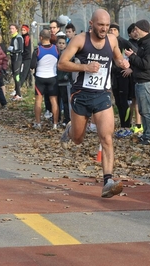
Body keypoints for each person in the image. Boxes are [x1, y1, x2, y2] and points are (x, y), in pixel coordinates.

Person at [58, 9, 130, 198]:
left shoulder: (112, 40)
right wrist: (85, 67)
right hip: (81, 94)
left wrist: (122, 62)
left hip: (102, 95)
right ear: (92, 24)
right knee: (78, 139)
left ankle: (108, 181)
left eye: (107, 25)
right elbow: (62, 63)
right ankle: (70, 129)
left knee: (106, 138)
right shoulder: (80, 40)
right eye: (100, 25)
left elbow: (116, 55)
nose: (104, 29)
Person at [124, 19, 150, 145]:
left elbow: (146, 64)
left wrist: (132, 57)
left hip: (146, 81)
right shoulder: (145, 44)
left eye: (136, 29)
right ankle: (146, 134)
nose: (135, 32)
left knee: (146, 110)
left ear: (142, 29)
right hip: (141, 80)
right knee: (143, 110)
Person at [109, 22, 134, 138]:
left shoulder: (124, 42)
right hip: (113, 76)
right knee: (118, 102)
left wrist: (131, 69)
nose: (112, 32)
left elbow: (135, 55)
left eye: (114, 30)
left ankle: (127, 126)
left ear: (118, 31)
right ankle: (122, 125)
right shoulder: (107, 42)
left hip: (124, 76)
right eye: (110, 30)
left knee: (124, 102)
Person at [30, 29, 59, 130]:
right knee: (54, 101)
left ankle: (38, 123)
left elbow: (32, 65)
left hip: (40, 78)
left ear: (41, 38)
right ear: (50, 37)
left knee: (38, 101)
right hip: (53, 78)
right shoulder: (56, 49)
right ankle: (55, 124)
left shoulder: (37, 50)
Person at [126, 23, 142, 135]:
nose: (135, 33)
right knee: (134, 101)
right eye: (133, 31)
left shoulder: (142, 43)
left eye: (137, 30)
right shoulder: (128, 44)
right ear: (129, 33)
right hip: (131, 77)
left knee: (135, 101)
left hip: (138, 74)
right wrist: (131, 68)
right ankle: (136, 124)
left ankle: (136, 123)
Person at [56, 36, 71, 126]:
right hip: (55, 81)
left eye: (63, 43)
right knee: (56, 101)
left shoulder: (68, 55)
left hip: (65, 82)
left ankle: (66, 119)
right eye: (59, 43)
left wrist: (66, 76)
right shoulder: (55, 54)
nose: (61, 45)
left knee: (65, 102)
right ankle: (56, 119)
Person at [8, 24, 23, 100]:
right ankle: (16, 93)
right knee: (14, 75)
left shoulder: (19, 37)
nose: (11, 30)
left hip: (18, 59)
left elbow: (21, 49)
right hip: (13, 58)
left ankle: (19, 94)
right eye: (10, 28)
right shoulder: (13, 37)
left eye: (13, 28)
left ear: (16, 29)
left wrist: (13, 51)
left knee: (16, 76)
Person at [20, 24, 32, 89]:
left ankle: (20, 86)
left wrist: (23, 56)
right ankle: (29, 85)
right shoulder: (22, 37)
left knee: (24, 72)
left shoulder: (27, 38)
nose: (22, 31)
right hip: (24, 57)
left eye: (24, 30)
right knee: (26, 72)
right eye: (22, 30)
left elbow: (27, 49)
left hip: (26, 58)